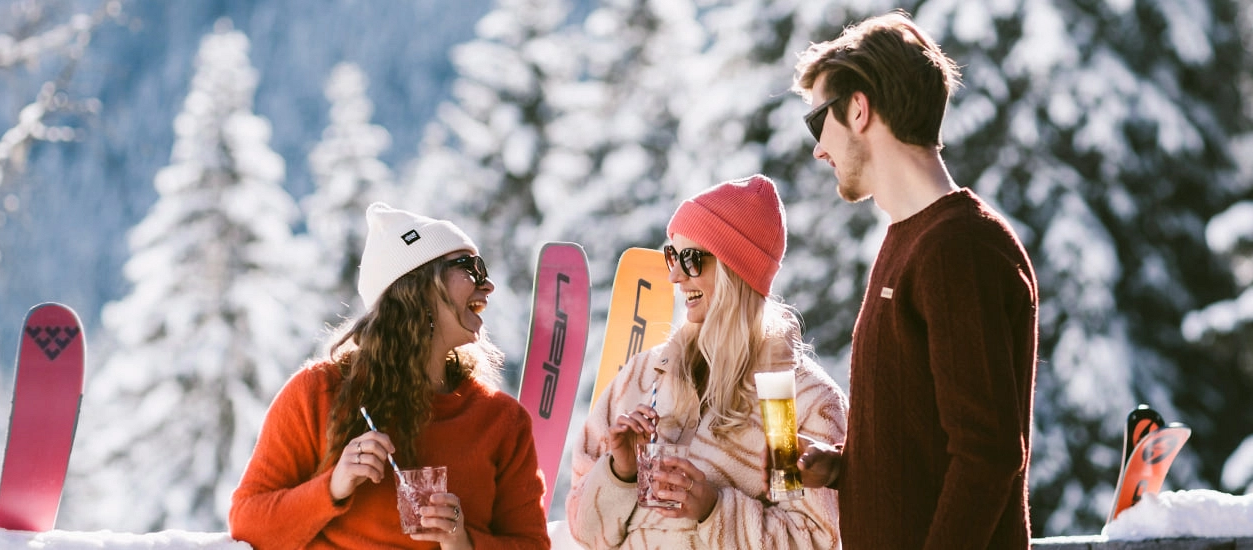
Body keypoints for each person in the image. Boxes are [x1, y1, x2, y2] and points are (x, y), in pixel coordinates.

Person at [789, 11, 1041, 549]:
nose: (817, 149)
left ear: (858, 109)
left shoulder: (957, 249)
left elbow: (987, 455)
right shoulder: (912, 240)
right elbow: (926, 437)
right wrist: (845, 468)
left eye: (817, 123)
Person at [230, 203, 549, 550]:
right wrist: (334, 486)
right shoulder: (318, 393)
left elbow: (532, 544)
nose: (487, 285)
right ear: (418, 288)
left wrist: (465, 542)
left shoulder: (502, 420)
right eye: (470, 268)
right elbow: (248, 521)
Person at [566, 175, 847, 549]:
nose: (674, 275)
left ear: (736, 270)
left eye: (691, 259)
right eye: (672, 255)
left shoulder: (789, 402)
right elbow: (583, 530)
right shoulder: (647, 375)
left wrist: (714, 511)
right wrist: (621, 472)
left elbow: (812, 540)